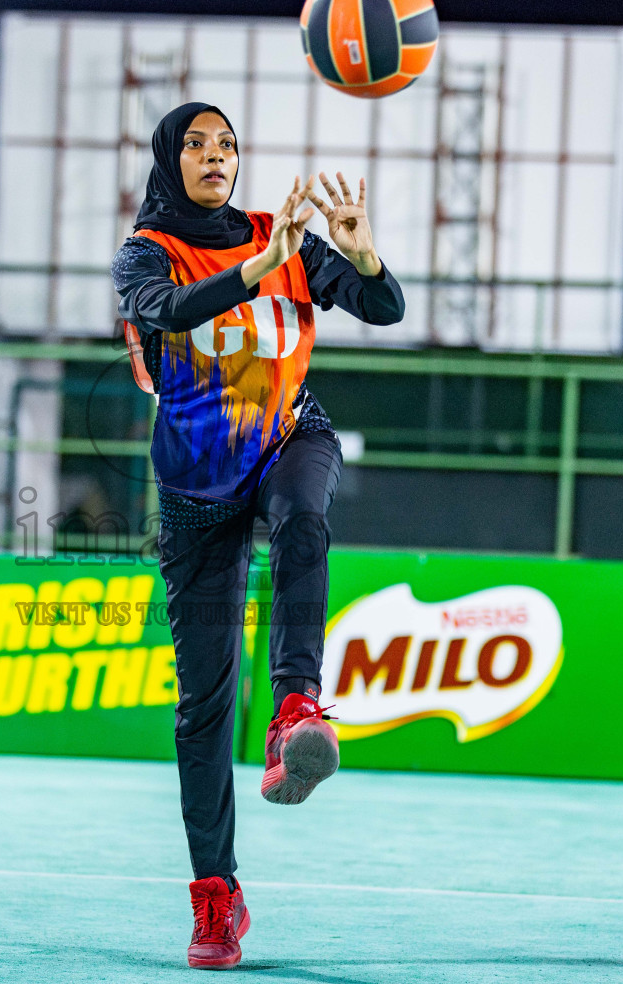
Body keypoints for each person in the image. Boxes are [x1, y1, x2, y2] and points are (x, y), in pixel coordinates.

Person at [111, 101, 406, 969]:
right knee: (202, 707)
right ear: (172, 160)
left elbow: (382, 307)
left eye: (227, 144)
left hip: (288, 436)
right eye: (197, 145)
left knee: (304, 518)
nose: (216, 156)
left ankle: (295, 711)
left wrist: (358, 252)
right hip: (198, 481)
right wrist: (255, 271)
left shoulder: (285, 236)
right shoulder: (145, 253)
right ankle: (217, 900)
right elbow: (167, 310)